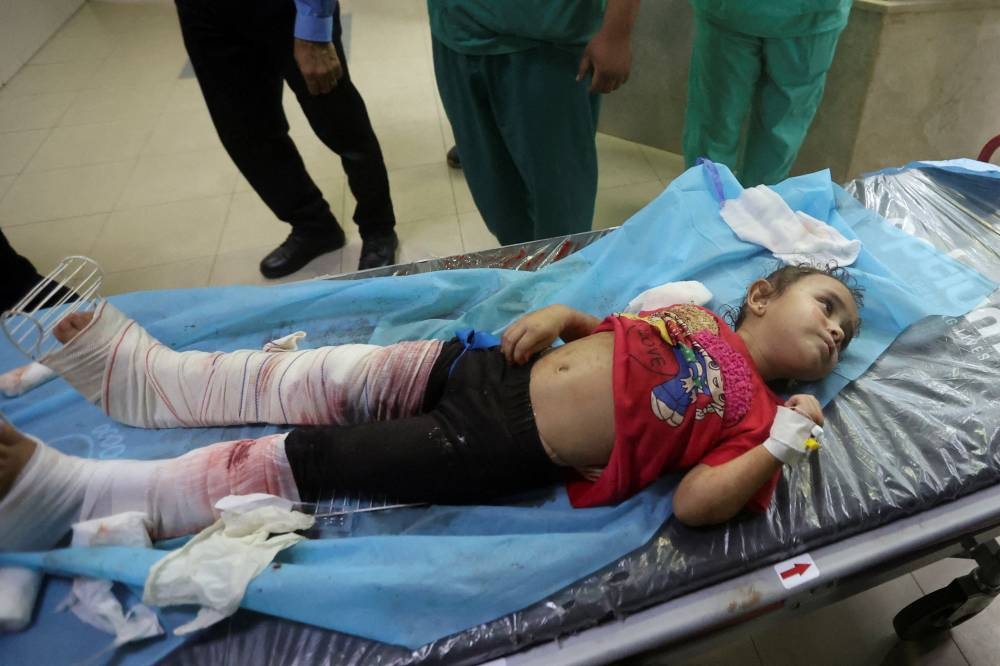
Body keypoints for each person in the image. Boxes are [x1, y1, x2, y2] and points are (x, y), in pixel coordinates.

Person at [0, 265, 862, 552]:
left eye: (846, 332)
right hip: (485, 366)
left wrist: (784, 444)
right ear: (759, 294)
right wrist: (568, 318)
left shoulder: (760, 418)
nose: (835, 329)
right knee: (330, 375)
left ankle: (83, 498)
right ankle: (162, 385)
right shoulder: (697, 312)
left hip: (498, 440)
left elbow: (694, 504)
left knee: (313, 459)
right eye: (827, 304)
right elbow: (620, 336)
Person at [174, 0, 399, 277]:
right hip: (203, 14)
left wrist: (313, 28)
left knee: (341, 125)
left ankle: (378, 229)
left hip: (285, 10)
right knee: (245, 132)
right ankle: (314, 226)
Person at [429, 0, 640, 245]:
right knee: (499, 203)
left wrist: (616, 30)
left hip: (546, 42)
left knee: (560, 212)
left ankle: (560, 277)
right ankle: (526, 271)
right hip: (454, 31)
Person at [682, 0, 852, 187]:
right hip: (810, 16)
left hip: (732, 11)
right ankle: (757, 207)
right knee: (782, 131)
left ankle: (704, 205)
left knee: (715, 121)